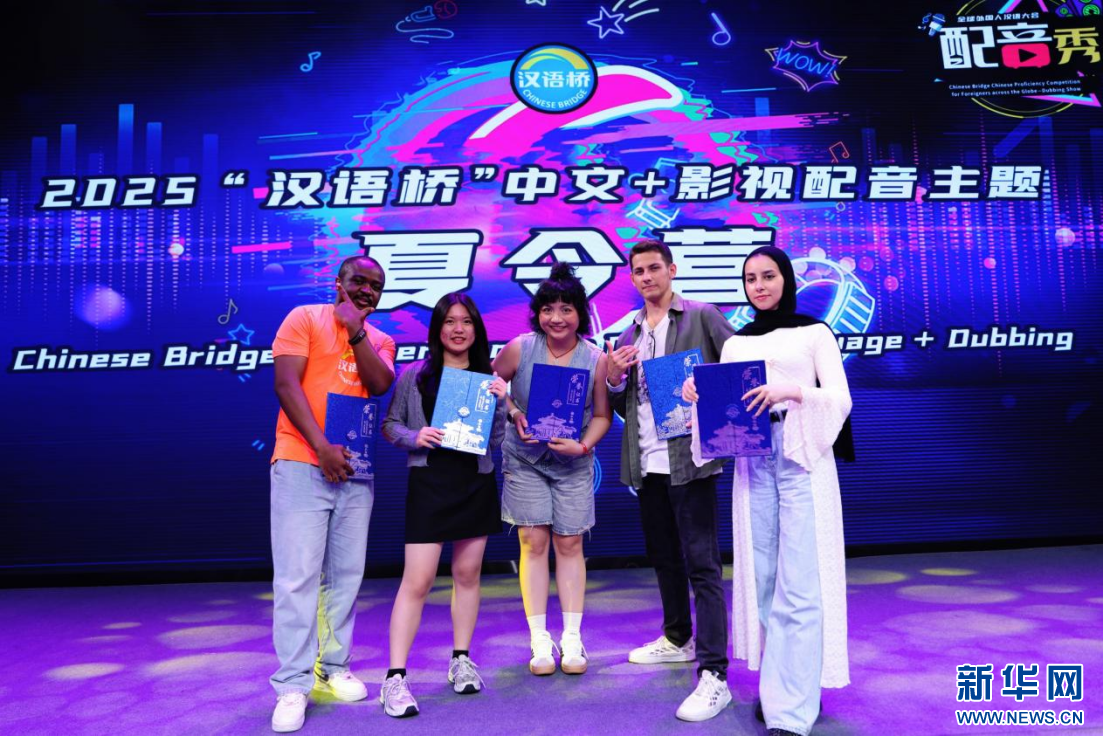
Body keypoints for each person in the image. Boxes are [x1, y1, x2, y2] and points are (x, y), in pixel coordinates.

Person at [683, 245, 852, 736]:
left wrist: (791, 391)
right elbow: (723, 410)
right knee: (763, 580)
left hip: (801, 456)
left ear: (786, 279)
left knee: (800, 584)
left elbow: (839, 399)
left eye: (768, 276)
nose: (759, 286)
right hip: (753, 462)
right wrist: (696, 396)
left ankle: (792, 712)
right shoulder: (737, 344)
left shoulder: (815, 333)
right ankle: (781, 690)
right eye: (751, 278)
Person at [605, 239, 737, 722]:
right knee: (664, 557)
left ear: (672, 270)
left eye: (654, 268)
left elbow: (739, 370)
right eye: (638, 271)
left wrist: (707, 392)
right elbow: (624, 404)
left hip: (691, 459)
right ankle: (678, 638)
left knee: (702, 564)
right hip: (647, 462)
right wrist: (614, 379)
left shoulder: (703, 316)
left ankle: (715, 672)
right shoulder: (629, 333)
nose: (646, 277)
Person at [268, 255, 396, 733]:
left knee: (345, 576)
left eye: (374, 286)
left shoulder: (380, 339)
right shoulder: (304, 318)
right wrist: (321, 447)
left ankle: (333, 666)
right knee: (297, 578)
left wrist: (355, 329)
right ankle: (292, 684)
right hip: (302, 460)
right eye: (358, 281)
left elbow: (379, 384)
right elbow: (286, 386)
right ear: (338, 282)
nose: (366, 290)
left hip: (354, 470)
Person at [378, 293, 508, 717]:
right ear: (437, 328)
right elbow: (390, 425)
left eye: (466, 321)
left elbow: (496, 441)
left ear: (476, 329)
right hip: (430, 483)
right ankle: (395, 678)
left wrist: (501, 403)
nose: (458, 329)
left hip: (475, 483)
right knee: (417, 581)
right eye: (449, 321)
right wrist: (415, 436)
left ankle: (461, 660)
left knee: (468, 576)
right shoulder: (415, 375)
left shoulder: (487, 378)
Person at [492, 262, 611, 677]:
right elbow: (491, 386)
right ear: (537, 313)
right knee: (533, 542)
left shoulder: (595, 358)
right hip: (525, 461)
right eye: (547, 309)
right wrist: (513, 412)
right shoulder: (520, 348)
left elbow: (602, 415)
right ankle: (539, 639)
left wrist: (583, 445)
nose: (556, 318)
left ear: (581, 313)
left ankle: (572, 637)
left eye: (566, 309)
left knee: (570, 544)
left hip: (573, 463)